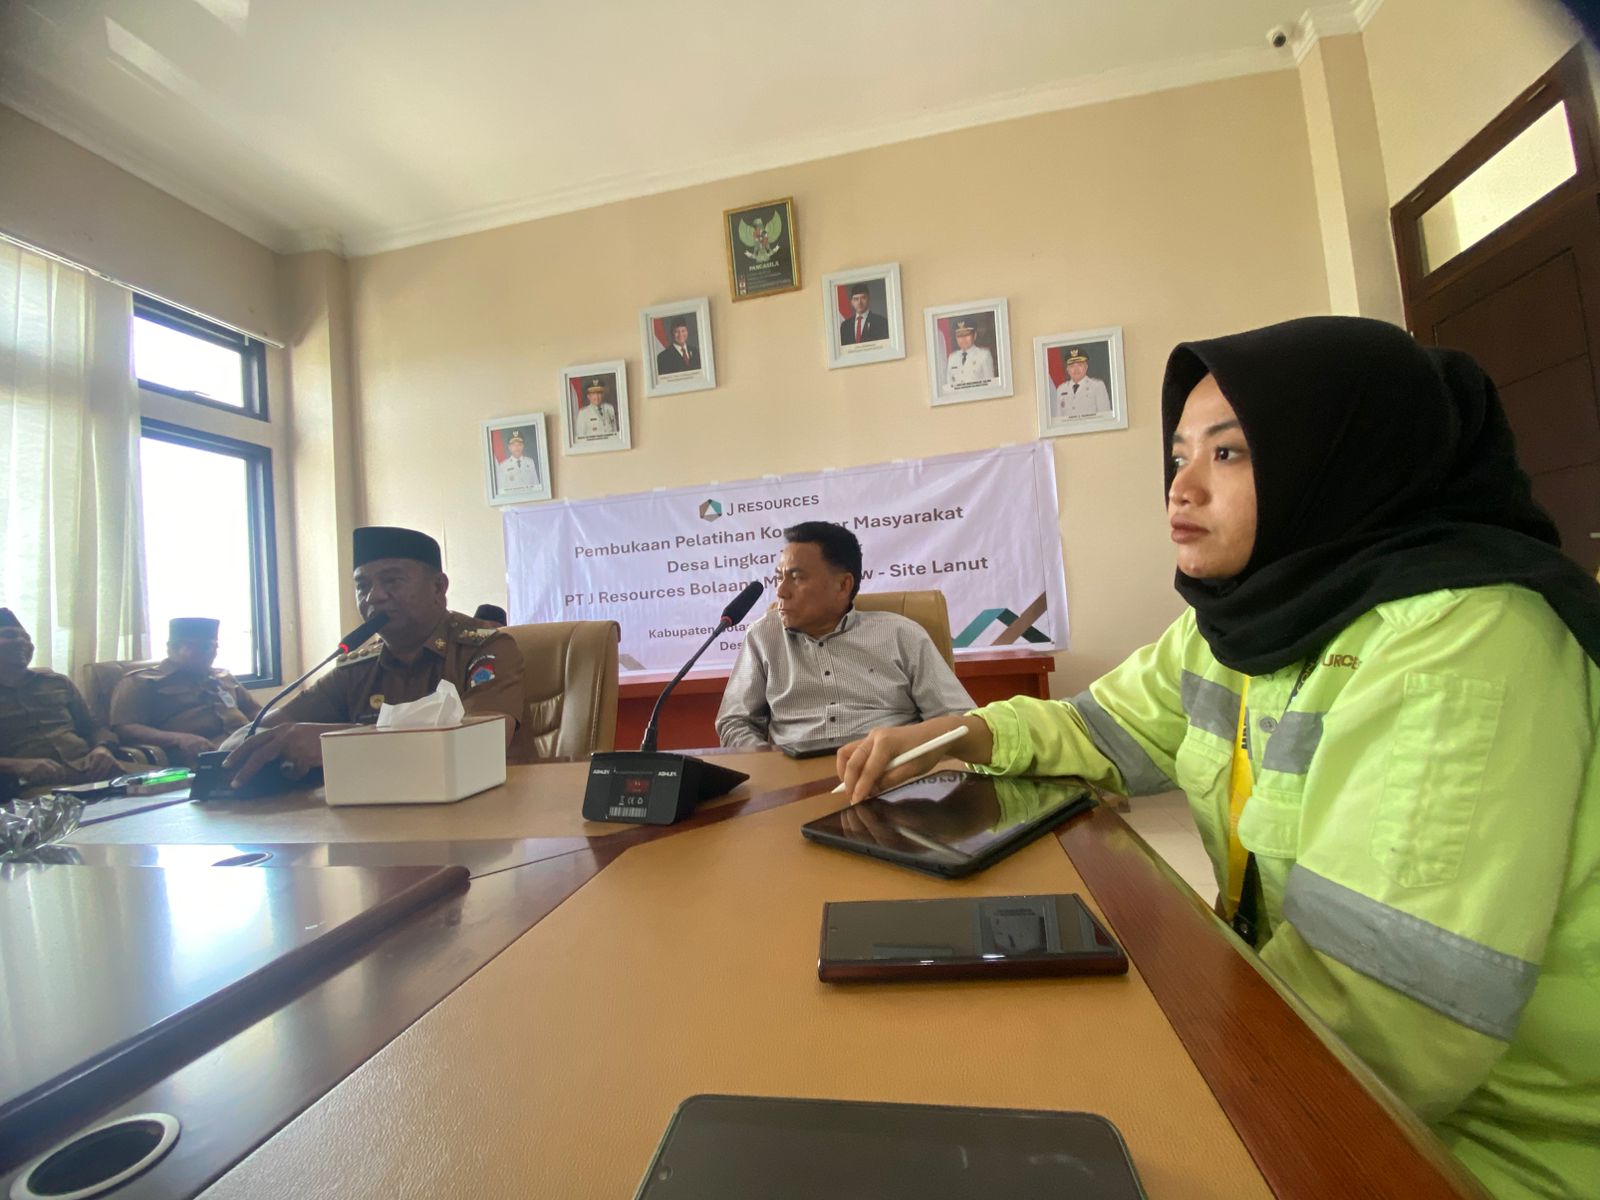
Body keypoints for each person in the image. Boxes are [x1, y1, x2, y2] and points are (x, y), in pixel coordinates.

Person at [837, 316, 1600, 1200]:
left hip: (1478, 1148)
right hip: (1290, 1058)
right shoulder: (1247, 617)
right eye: (1178, 455)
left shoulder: (1459, 641)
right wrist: (955, 735)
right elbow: (1101, 728)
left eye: (1229, 454)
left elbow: (1382, 1033)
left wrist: (1114, 1066)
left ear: (1343, 460)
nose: (1181, 488)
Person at [223, 526, 527, 786]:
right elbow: (248, 735)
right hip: (374, 817)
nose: (374, 596)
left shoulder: (486, 649)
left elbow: (482, 744)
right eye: (362, 586)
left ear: (438, 587)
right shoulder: (355, 668)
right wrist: (260, 746)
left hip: (482, 811)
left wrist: (341, 744)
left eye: (392, 581)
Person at [715, 522, 973, 750]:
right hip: (791, 775)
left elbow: (958, 718)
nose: (781, 591)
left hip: (891, 770)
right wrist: (768, 763)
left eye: (796, 578)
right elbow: (735, 722)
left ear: (843, 585)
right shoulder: (763, 636)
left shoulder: (901, 634)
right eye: (779, 577)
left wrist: (911, 752)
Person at [0, 608, 137, 794]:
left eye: (27, 638)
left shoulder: (57, 682)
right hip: (31, 784)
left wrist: (103, 748)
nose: (22, 642)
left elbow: (95, 727)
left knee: (170, 786)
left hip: (94, 771)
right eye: (9, 635)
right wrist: (16, 765)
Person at [109, 617, 261, 765]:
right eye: (202, 647)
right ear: (173, 648)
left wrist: (269, 724)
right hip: (203, 752)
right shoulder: (141, 681)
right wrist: (179, 739)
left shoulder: (223, 676)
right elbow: (125, 728)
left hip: (247, 741)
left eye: (214, 647)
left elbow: (254, 710)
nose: (211, 653)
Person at [1055, 348, 1111, 419]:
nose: (1076, 369)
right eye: (1072, 366)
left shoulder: (1097, 386)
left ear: (1086, 367)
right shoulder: (1061, 389)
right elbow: (1058, 419)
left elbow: (1105, 416)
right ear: (1067, 369)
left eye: (1079, 365)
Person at [945, 319, 995, 388]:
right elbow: (949, 385)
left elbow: (990, 384)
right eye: (959, 336)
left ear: (974, 336)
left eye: (967, 335)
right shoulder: (952, 357)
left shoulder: (984, 355)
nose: (963, 339)